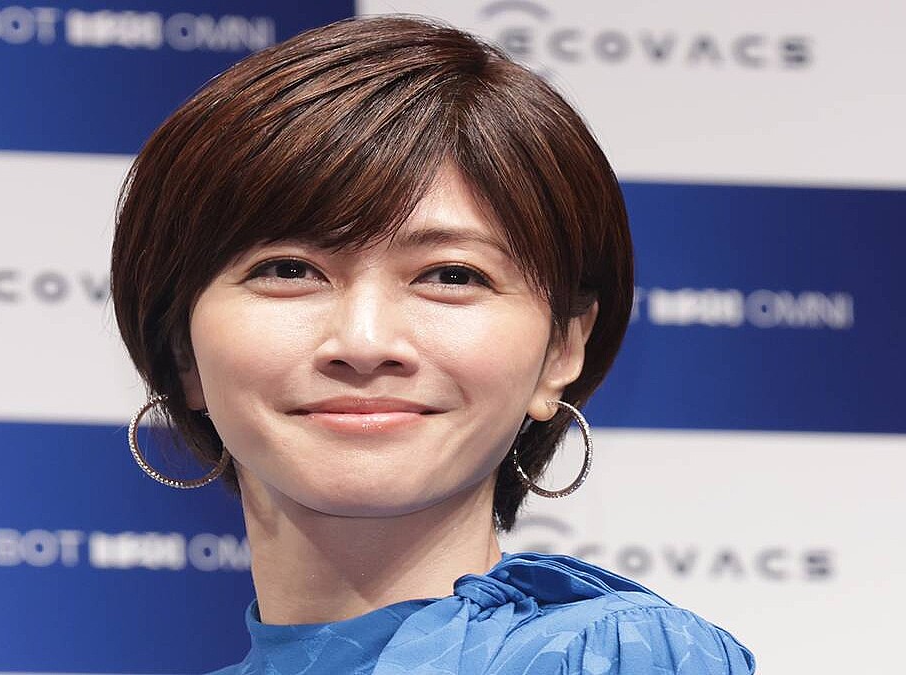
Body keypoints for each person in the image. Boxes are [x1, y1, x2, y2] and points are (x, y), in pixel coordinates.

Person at [110, 14, 755, 675]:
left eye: (451, 275)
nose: (364, 342)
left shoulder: (607, 658)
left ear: (561, 350)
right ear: (181, 349)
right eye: (289, 269)